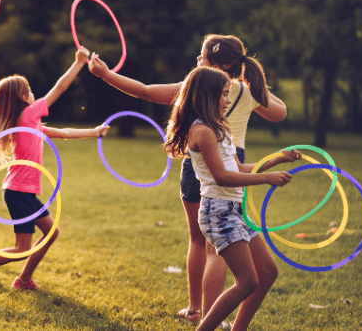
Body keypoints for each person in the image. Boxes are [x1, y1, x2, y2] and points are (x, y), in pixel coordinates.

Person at [89, 34, 287, 327]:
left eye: (202, 57)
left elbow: (145, 91)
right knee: (220, 249)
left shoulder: (197, 89)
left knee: (204, 243)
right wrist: (251, 83)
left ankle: (199, 310)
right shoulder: (240, 93)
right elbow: (280, 112)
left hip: (222, 172)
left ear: (220, 65)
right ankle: (208, 319)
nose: (197, 61)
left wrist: (106, 75)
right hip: (219, 180)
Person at [0, 46, 109, 297]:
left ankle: (24, 279)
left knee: (51, 232)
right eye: (29, 90)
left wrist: (94, 132)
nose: (33, 93)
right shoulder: (27, 115)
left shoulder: (29, 122)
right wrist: (79, 62)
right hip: (19, 191)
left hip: (22, 190)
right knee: (20, 248)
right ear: (22, 98)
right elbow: (60, 89)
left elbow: (63, 133)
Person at [164, 66, 300, 331]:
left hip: (235, 210)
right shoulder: (201, 131)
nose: (228, 100)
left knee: (268, 272)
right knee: (248, 281)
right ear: (207, 95)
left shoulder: (221, 128)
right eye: (224, 95)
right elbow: (222, 177)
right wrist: (267, 179)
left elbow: (238, 169)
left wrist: (278, 158)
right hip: (218, 213)